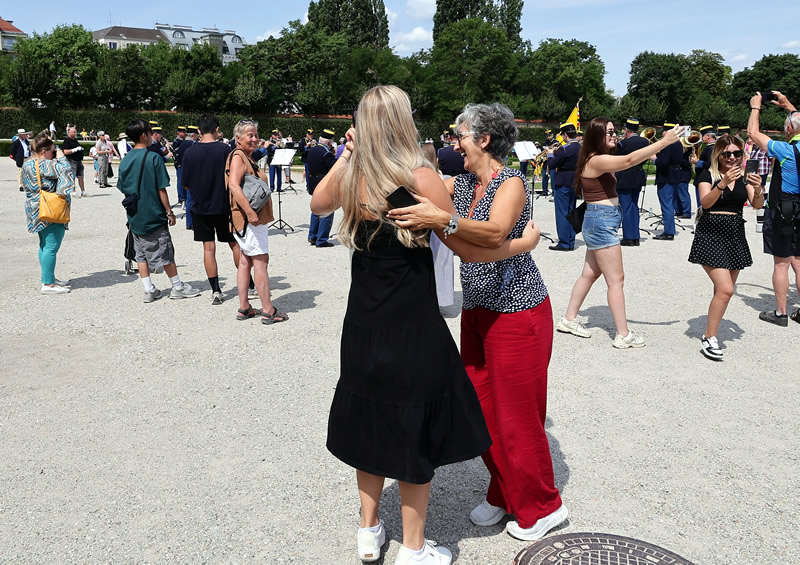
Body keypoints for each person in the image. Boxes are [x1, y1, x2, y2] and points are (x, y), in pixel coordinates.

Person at [313, 87, 541, 564]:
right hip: (412, 322)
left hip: (363, 321)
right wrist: (521, 246)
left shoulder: (353, 176)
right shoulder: (421, 177)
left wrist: (347, 153)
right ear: (402, 121)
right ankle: (414, 549)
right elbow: (464, 247)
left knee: (371, 420)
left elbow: (317, 205)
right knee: (414, 426)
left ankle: (368, 531)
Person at [388, 102, 566, 544]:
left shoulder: (512, 183)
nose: (455, 142)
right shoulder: (463, 182)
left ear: (484, 140)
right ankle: (505, 491)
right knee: (482, 409)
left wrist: (443, 219)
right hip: (480, 312)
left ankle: (544, 506)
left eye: (461, 135)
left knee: (518, 416)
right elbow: (463, 241)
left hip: (520, 312)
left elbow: (491, 231)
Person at [557, 118, 681, 348]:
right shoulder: (597, 159)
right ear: (597, 136)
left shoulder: (596, 157)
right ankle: (623, 334)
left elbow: (626, 158)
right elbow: (630, 160)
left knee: (590, 274)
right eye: (610, 132)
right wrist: (665, 142)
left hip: (600, 220)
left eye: (614, 132)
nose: (615, 135)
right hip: (601, 221)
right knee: (616, 280)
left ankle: (568, 319)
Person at [689, 134, 765, 359]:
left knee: (722, 292)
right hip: (710, 232)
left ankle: (711, 330)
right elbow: (705, 202)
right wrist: (722, 183)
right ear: (718, 155)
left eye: (736, 153)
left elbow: (756, 204)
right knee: (726, 289)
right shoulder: (707, 174)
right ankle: (709, 337)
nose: (732, 158)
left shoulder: (745, 177)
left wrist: (759, 189)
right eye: (727, 153)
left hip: (734, 233)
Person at [116, 119, 200, 303]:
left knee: (140, 252)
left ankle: (148, 289)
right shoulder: (153, 158)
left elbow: (122, 187)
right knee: (165, 249)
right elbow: (161, 188)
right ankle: (177, 286)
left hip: (134, 212)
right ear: (144, 135)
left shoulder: (126, 159)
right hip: (153, 211)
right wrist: (169, 211)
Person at [226, 119, 287, 325]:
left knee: (245, 261)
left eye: (255, 134)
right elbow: (234, 186)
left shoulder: (245, 156)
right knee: (261, 261)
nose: (254, 138)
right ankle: (268, 310)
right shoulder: (238, 157)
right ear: (238, 138)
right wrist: (251, 212)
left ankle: (244, 307)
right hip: (249, 220)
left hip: (245, 219)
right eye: (249, 135)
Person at [747, 91, 800, 326]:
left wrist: (756, 107)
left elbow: (752, 134)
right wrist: (789, 106)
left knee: (781, 263)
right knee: (799, 261)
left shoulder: (785, 150)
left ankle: (780, 312)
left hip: (784, 209)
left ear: (789, 130)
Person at [181, 116, 243, 306]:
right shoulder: (226, 149)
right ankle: (247, 284)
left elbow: (185, 185)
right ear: (217, 129)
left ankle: (215, 289)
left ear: (198, 131)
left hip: (200, 207)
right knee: (234, 244)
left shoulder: (190, 152)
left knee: (208, 248)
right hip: (223, 206)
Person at [22, 133, 74, 294]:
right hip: (50, 209)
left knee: (44, 244)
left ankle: (48, 276)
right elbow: (66, 171)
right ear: (44, 152)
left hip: (35, 208)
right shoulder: (44, 164)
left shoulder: (28, 164)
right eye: (52, 151)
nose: (54, 153)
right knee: (52, 246)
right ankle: (48, 283)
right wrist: (62, 157)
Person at [422, 141, 454, 308]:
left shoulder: (419, 178)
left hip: (426, 224)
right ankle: (443, 298)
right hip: (443, 224)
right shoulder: (445, 178)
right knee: (443, 261)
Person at [547, 122, 581, 251]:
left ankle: (564, 242)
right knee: (571, 211)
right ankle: (570, 240)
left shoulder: (565, 148)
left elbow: (553, 163)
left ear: (565, 134)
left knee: (562, 212)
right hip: (575, 181)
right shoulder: (581, 147)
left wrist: (550, 154)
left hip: (563, 180)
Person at [615, 119, 649, 246]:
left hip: (625, 176)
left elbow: (616, 157)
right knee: (634, 206)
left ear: (627, 130)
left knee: (626, 207)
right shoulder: (645, 141)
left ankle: (629, 237)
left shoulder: (624, 143)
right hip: (638, 175)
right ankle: (635, 236)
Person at [651, 122, 684, 240]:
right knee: (670, 203)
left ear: (666, 132)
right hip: (675, 174)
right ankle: (670, 229)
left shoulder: (667, 144)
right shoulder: (679, 143)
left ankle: (669, 231)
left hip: (666, 176)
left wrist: (654, 159)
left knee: (666, 205)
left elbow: (663, 162)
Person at [306, 129, 337, 248]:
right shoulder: (326, 152)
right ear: (329, 142)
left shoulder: (312, 149)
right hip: (323, 182)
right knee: (327, 209)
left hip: (313, 181)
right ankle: (322, 239)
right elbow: (334, 167)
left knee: (316, 209)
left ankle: (312, 235)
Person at [174, 126, 198, 229]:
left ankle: (189, 222)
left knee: (189, 199)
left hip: (184, 172)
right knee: (193, 199)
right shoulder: (193, 144)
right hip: (193, 174)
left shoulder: (182, 144)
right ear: (193, 135)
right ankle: (193, 222)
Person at [61, 126, 86, 197]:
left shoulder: (75, 140)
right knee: (72, 176)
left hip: (79, 161)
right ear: (69, 132)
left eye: (75, 132)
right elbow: (65, 152)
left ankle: (83, 191)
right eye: (74, 132)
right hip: (72, 161)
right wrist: (74, 150)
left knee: (81, 176)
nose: (75, 133)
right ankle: (73, 191)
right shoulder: (67, 141)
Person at [173, 126, 188, 206]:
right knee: (180, 182)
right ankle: (181, 198)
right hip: (179, 163)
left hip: (184, 163)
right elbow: (177, 152)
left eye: (184, 132)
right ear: (178, 133)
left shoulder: (184, 141)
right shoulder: (176, 141)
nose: (183, 133)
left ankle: (184, 197)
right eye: (182, 132)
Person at [266, 129, 283, 193]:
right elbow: (269, 150)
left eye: (277, 135)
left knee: (279, 174)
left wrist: (280, 145)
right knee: (272, 174)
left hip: (278, 160)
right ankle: (272, 187)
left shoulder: (280, 142)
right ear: (272, 135)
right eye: (275, 135)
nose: (276, 136)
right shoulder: (269, 142)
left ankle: (279, 187)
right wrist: (275, 145)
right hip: (272, 160)